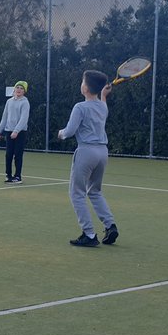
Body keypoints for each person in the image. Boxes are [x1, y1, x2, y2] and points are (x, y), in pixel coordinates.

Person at [57, 70, 118, 247]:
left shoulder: (80, 107)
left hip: (86, 152)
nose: (81, 84)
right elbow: (103, 107)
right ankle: (110, 225)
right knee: (95, 191)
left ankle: (89, 234)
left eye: (83, 81)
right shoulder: (102, 106)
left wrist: (60, 134)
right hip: (102, 153)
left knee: (76, 194)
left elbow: (69, 131)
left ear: (85, 88)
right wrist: (104, 96)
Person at [0, 80, 30, 183]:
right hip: (8, 131)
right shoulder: (9, 102)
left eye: (21, 88)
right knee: (8, 154)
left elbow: (24, 119)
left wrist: (16, 131)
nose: (19, 90)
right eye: (17, 87)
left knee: (18, 154)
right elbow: (4, 117)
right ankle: (8, 175)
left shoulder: (25, 102)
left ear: (24, 91)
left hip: (20, 133)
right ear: (14, 89)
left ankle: (18, 176)